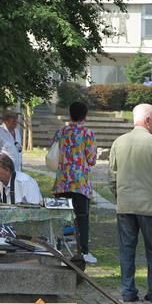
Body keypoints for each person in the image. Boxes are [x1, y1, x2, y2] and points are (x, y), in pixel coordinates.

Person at [108, 104, 152, 303]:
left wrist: (120, 197)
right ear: (147, 121)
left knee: (126, 251)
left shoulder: (118, 142)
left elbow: (112, 177)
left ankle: (128, 291)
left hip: (126, 206)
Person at [50, 101, 98, 264]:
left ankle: (57, 249)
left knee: (60, 218)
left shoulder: (60, 132)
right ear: (85, 115)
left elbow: (53, 154)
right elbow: (91, 160)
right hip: (79, 184)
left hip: (62, 182)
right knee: (82, 218)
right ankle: (84, 251)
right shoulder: (87, 133)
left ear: (70, 114)